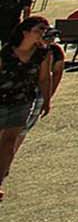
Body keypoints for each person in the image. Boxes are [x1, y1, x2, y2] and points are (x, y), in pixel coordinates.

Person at [0, 15, 59, 201]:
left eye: (45, 29)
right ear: (25, 32)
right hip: (1, 100)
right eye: (39, 29)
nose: (43, 33)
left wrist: (47, 100)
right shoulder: (6, 52)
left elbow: (44, 78)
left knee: (9, 143)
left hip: (23, 102)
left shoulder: (44, 54)